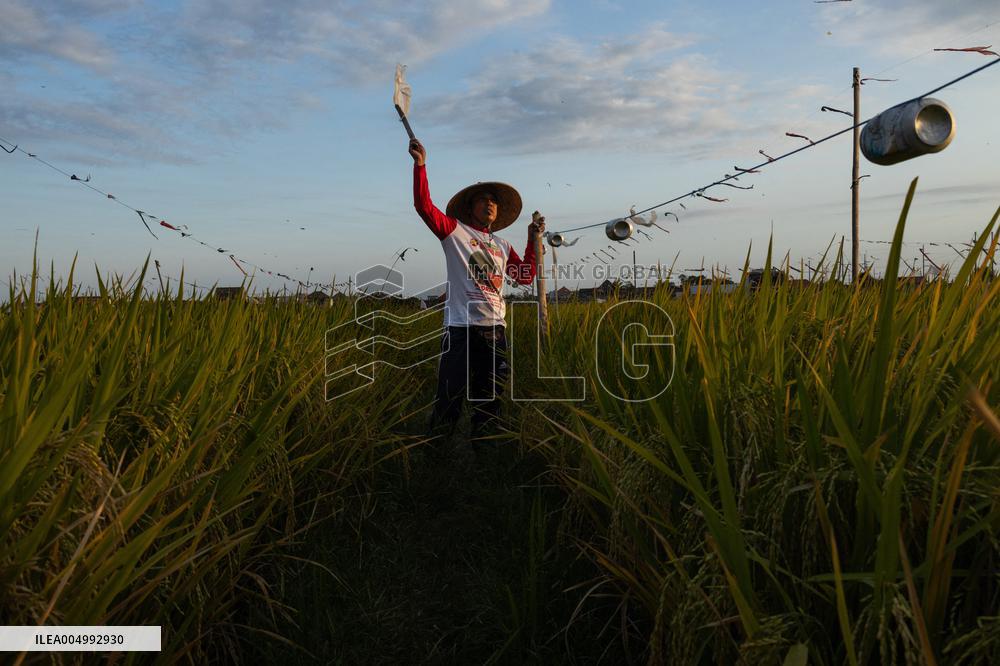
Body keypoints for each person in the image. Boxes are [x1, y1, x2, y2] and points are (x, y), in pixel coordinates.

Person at [408, 137, 544, 438]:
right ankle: (438, 452)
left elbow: (523, 276)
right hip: (460, 328)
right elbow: (424, 207)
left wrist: (533, 241)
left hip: (495, 330)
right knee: (449, 395)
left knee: (491, 397)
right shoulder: (454, 232)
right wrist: (420, 166)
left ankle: (486, 449)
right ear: (470, 208)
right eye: (483, 199)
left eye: (493, 200)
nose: (490, 204)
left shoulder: (502, 244)